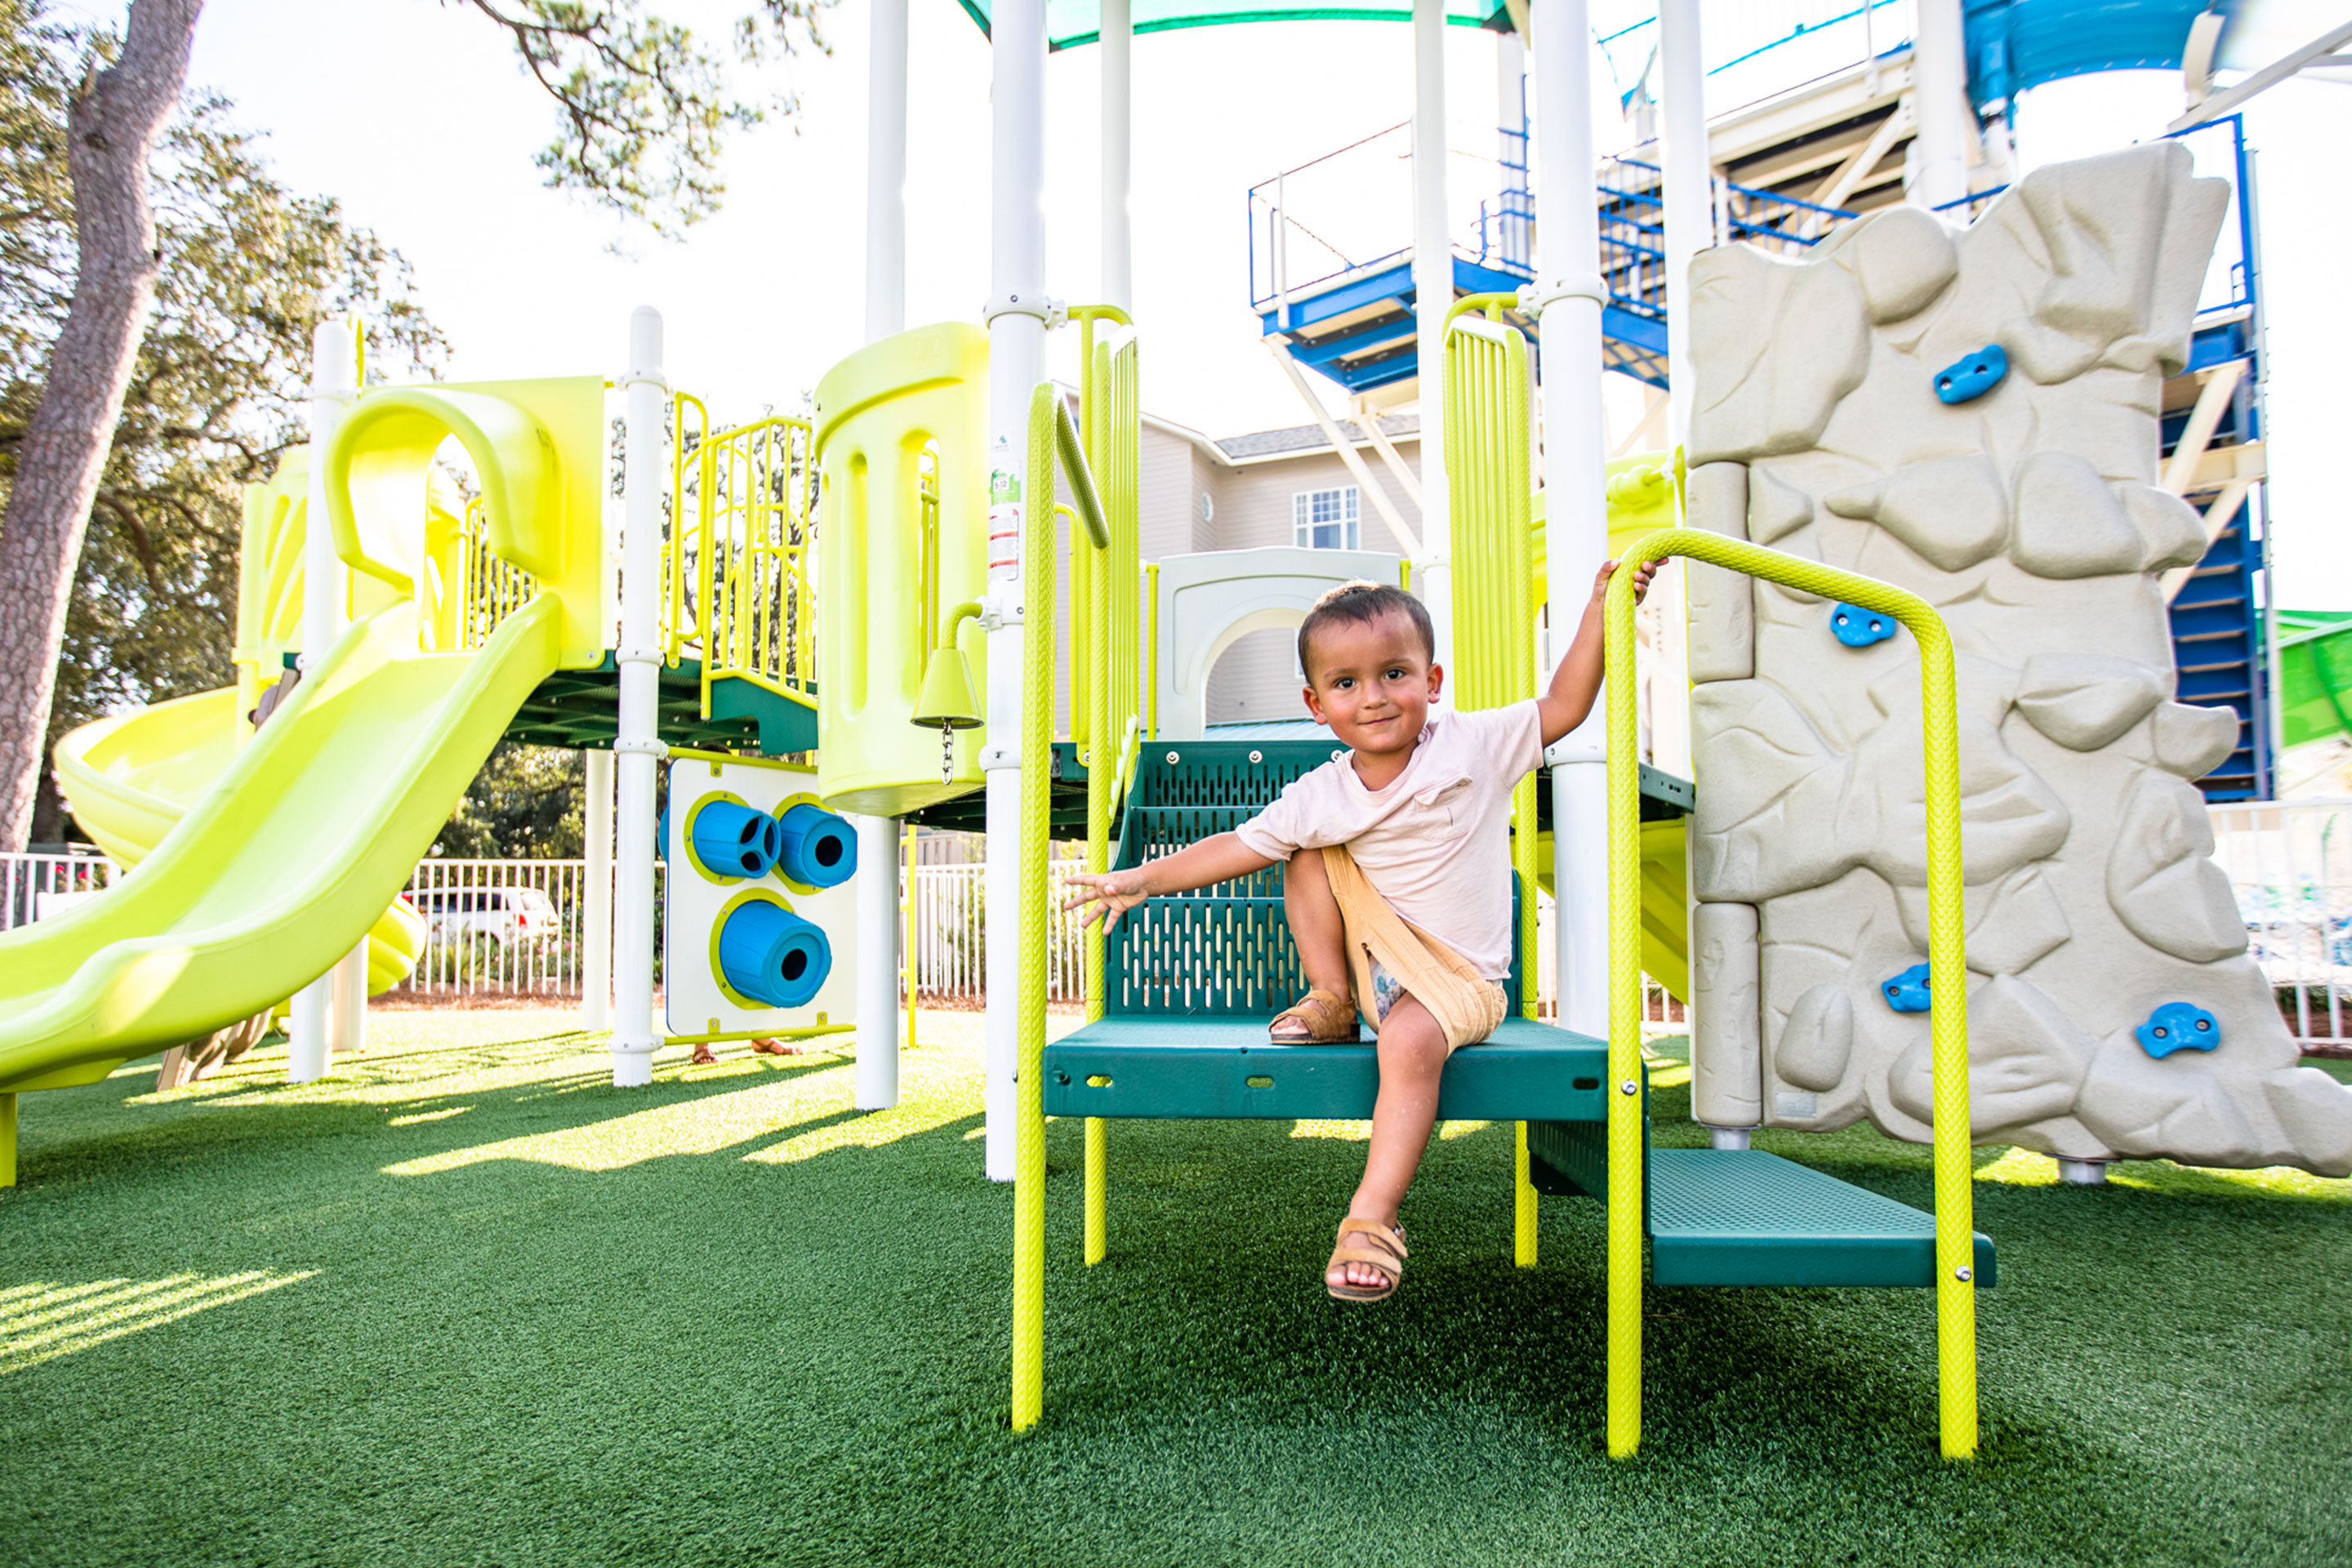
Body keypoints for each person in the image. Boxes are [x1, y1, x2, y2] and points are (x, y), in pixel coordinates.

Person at [1065, 559, 1650, 1303]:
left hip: (1461, 986)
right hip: (1379, 971)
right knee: (1302, 846)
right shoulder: (1325, 791)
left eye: (1394, 674)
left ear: (1432, 682)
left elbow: (1567, 702)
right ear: (1317, 704)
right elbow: (1239, 847)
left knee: (1408, 1040)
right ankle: (1330, 997)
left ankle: (1373, 1215)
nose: (1372, 698)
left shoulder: (1474, 744)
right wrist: (1140, 878)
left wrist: (1601, 607)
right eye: (1346, 684)